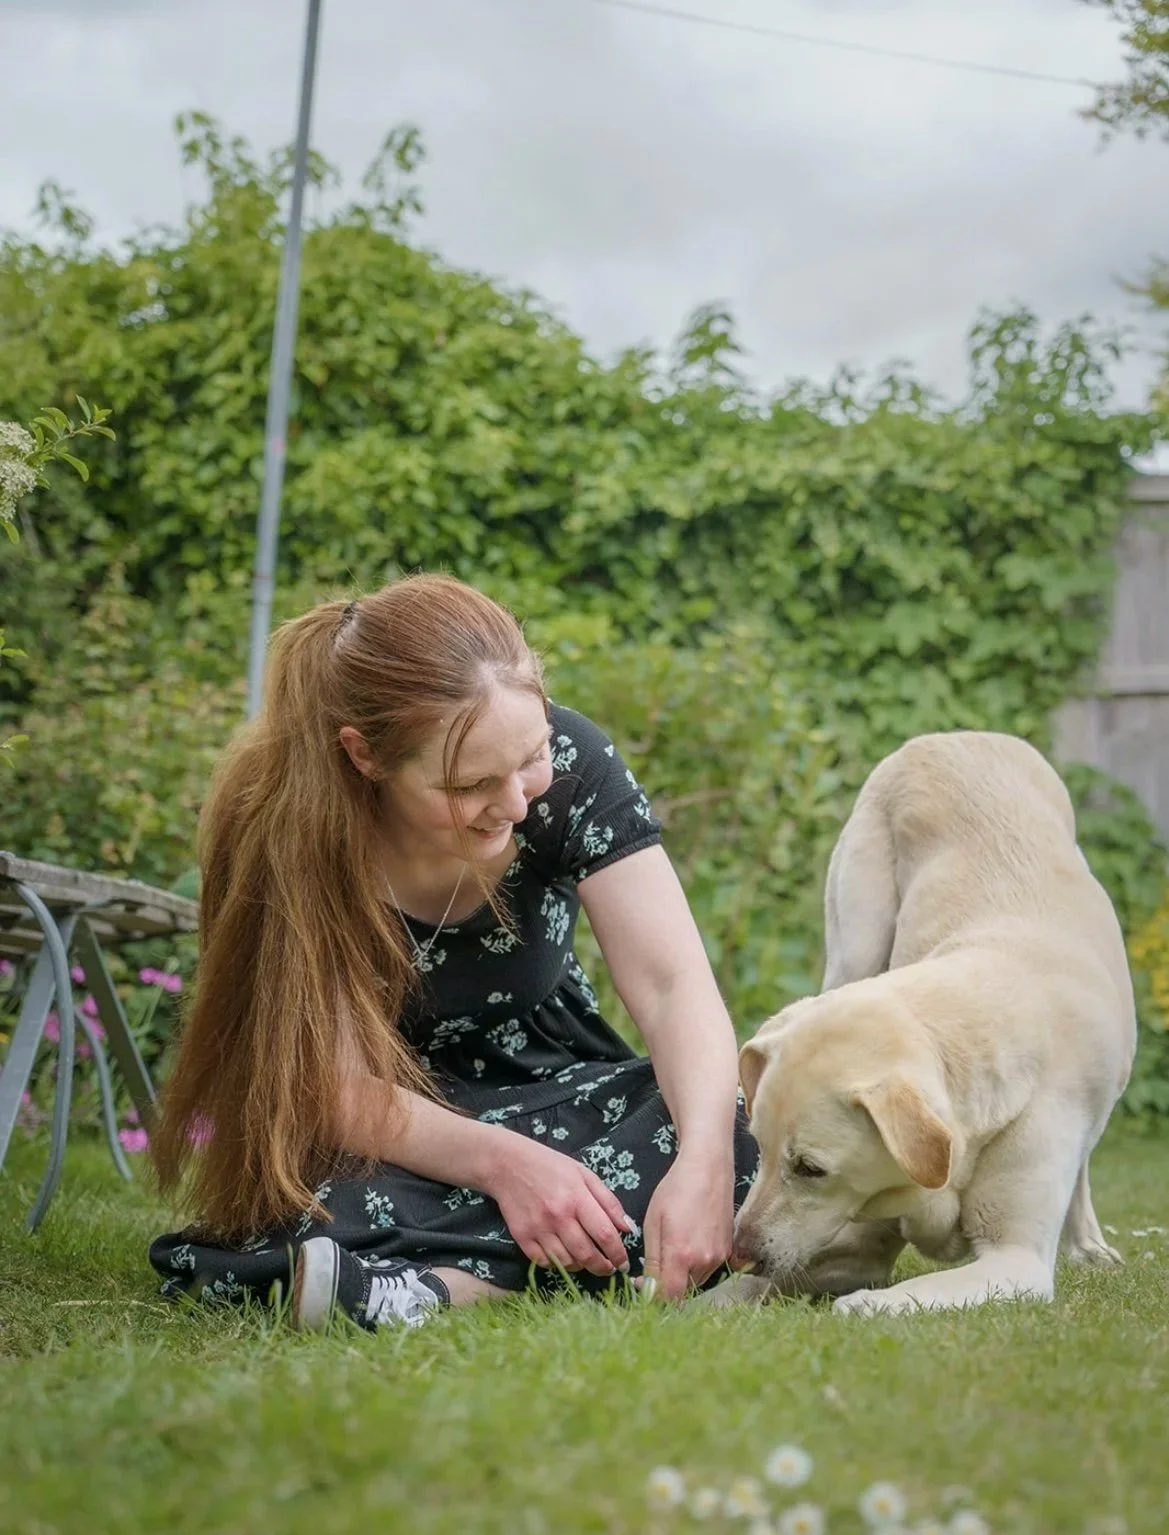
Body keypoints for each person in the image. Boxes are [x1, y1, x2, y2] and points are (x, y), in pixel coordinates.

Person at [149, 573, 758, 1330]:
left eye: (530, 757)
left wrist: (702, 1161)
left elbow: (673, 988)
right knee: (310, 1197)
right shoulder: (285, 821)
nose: (514, 802)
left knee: (733, 1122)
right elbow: (330, 1085)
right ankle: (547, 1267)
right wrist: (507, 1166)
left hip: (554, 1094)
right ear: (365, 756)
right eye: (471, 783)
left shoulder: (574, 765)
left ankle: (421, 1287)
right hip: (376, 1130)